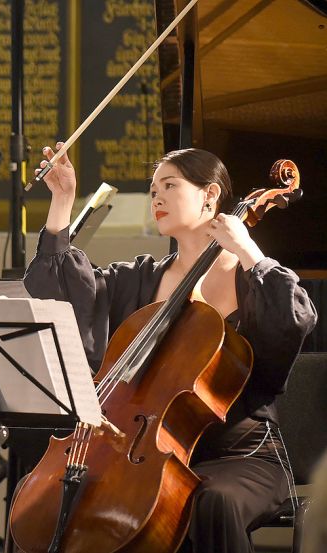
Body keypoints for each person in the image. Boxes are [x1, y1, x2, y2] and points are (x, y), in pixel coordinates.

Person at [24, 143, 317, 553]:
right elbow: (60, 295)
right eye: (153, 190)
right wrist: (62, 201)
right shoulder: (139, 277)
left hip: (240, 456)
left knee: (211, 501)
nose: (156, 197)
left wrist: (249, 250)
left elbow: (294, 319)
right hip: (147, 453)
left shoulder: (253, 279)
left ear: (210, 195)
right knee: (45, 495)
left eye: (170, 186)